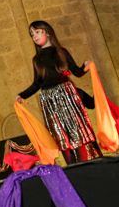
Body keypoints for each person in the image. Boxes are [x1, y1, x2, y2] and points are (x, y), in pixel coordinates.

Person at [15, 20, 102, 164]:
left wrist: (85, 67)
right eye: (31, 34)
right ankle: (71, 165)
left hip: (66, 95)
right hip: (49, 100)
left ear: (47, 32)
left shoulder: (61, 52)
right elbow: (37, 83)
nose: (34, 36)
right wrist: (22, 95)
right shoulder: (36, 59)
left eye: (37, 32)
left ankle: (85, 162)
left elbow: (77, 72)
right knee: (59, 134)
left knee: (76, 129)